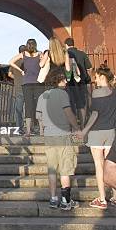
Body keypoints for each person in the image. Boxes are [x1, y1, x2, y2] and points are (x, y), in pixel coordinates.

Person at [36, 69, 81, 210]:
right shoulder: (62, 94)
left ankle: (53, 198)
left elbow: (39, 117)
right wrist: (77, 128)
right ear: (57, 81)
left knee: (52, 169)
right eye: (63, 79)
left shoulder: (43, 96)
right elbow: (68, 113)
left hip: (49, 136)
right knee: (65, 168)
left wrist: (43, 130)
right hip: (63, 134)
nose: (66, 81)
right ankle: (66, 200)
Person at [77, 66, 116, 209]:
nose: (95, 79)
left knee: (99, 166)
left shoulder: (97, 93)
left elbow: (94, 114)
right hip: (111, 132)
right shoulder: (114, 92)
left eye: (97, 77)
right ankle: (115, 196)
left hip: (97, 133)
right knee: (111, 165)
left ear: (101, 77)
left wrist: (84, 130)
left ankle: (102, 199)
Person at [9, 39, 44, 138]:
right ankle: (41, 131)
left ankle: (28, 132)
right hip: (38, 83)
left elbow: (10, 62)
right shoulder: (40, 54)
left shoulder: (23, 54)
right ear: (35, 45)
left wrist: (21, 71)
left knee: (28, 107)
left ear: (27, 45)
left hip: (26, 83)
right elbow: (43, 65)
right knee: (39, 106)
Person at [65, 37, 93, 126]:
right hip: (82, 81)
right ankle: (83, 123)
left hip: (70, 82)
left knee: (71, 102)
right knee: (82, 103)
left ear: (66, 45)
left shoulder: (66, 54)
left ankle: (73, 125)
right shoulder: (82, 54)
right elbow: (89, 67)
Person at [8, 44, 26, 133]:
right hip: (27, 86)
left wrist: (17, 78)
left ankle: (20, 128)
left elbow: (9, 74)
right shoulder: (27, 60)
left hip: (18, 87)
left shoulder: (14, 61)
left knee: (18, 109)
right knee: (29, 108)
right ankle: (32, 127)